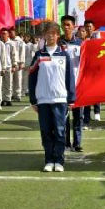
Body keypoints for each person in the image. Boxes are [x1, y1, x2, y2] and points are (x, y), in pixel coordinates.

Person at [28, 21, 76, 172]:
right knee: (46, 131)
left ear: (57, 35)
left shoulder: (64, 55)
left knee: (60, 131)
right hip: (43, 100)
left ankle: (59, 161)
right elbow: (32, 78)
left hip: (60, 99)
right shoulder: (39, 55)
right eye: (48, 33)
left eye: (54, 33)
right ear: (44, 35)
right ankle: (49, 160)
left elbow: (70, 78)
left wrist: (71, 99)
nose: (51, 36)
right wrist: (33, 100)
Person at [60, 15, 85, 152]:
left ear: (74, 26)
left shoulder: (81, 44)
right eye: (64, 24)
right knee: (64, 115)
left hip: (77, 84)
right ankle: (65, 142)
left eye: (68, 25)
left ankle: (77, 142)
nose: (66, 27)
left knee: (78, 115)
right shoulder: (58, 43)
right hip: (62, 85)